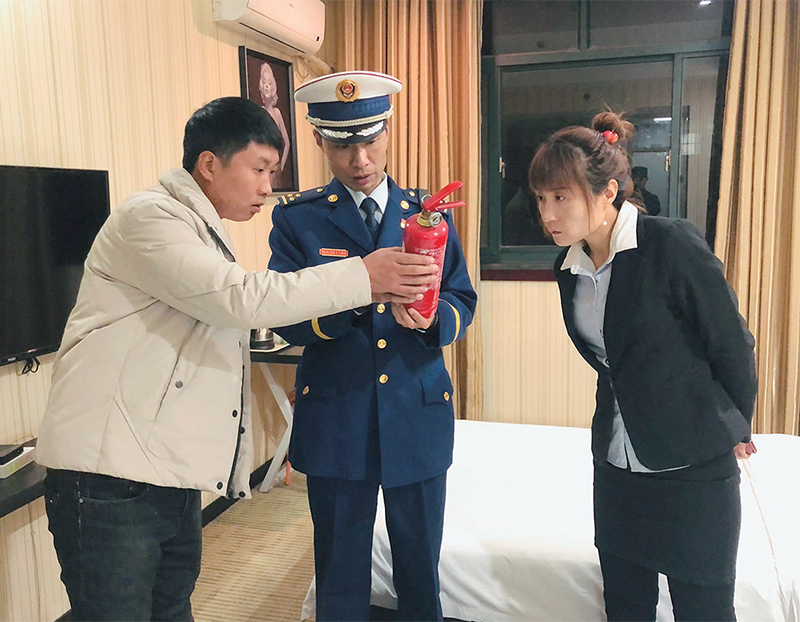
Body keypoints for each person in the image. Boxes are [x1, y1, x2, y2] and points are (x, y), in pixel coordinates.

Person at [36, 96, 438, 622]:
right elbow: (243, 298)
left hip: (162, 467)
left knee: (170, 608)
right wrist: (365, 276)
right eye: (260, 169)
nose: (268, 187)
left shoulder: (200, 226)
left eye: (273, 172)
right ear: (209, 164)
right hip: (109, 474)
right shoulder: (150, 218)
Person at [529, 112, 757, 622]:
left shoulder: (669, 243)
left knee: (704, 608)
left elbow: (731, 341)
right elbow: (610, 363)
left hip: (692, 464)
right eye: (541, 199)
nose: (548, 213)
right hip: (617, 466)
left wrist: (734, 423)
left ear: (608, 192)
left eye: (561, 197)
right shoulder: (568, 268)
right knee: (626, 606)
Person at [268, 71, 477, 621]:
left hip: (416, 409)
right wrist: (361, 293)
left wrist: (431, 322)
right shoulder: (299, 220)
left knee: (420, 574)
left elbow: (460, 295)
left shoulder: (427, 213)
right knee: (339, 576)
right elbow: (285, 316)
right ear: (319, 141)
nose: (359, 159)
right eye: (342, 145)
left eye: (370, 139)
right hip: (338, 416)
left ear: (388, 131)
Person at [259, 62, 291, 173]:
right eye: (264, 82)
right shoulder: (260, 112)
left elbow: (287, 143)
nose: (267, 86)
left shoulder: (277, 113)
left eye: (269, 83)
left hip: (274, 166)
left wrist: (281, 166)